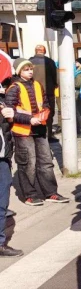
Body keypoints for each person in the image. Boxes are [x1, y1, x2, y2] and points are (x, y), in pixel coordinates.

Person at [6, 58, 67, 206]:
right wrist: (29, 119)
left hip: (39, 128)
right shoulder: (14, 87)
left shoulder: (37, 85)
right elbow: (10, 111)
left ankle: (50, 192)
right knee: (28, 163)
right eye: (26, 69)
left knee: (46, 162)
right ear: (19, 71)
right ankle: (30, 195)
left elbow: (45, 104)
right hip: (23, 131)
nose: (30, 71)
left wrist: (44, 114)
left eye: (31, 68)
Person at [0, 80, 21, 257]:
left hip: (3, 159)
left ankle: (0, 243)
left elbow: (6, 130)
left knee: (2, 203)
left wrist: (9, 117)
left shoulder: (2, 100)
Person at [30, 45, 58, 140]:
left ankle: (36, 133)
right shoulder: (50, 61)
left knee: (34, 112)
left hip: (33, 91)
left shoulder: (30, 61)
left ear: (35, 51)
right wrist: (55, 85)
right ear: (44, 51)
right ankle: (48, 134)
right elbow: (55, 77)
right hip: (48, 92)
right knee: (49, 113)